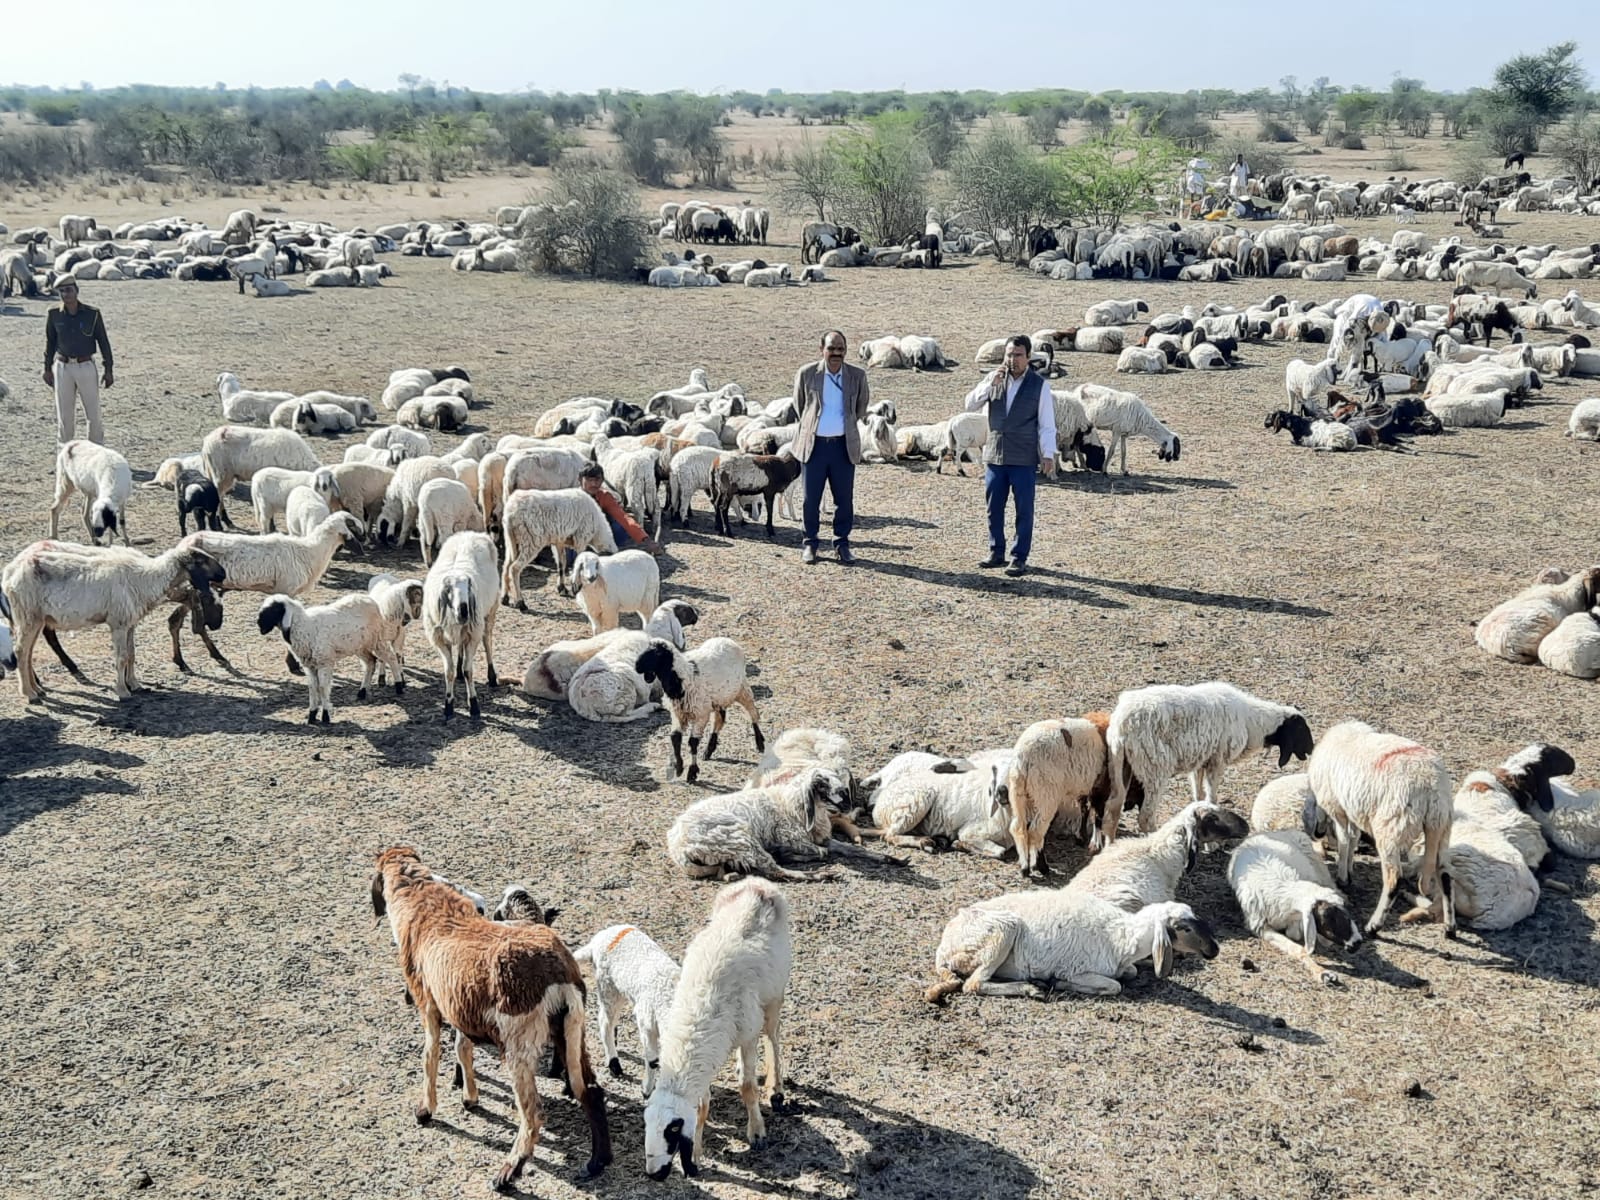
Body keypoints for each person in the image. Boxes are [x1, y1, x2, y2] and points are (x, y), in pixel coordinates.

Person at [962, 335, 1056, 578]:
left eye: (1018, 355)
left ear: (1028, 357)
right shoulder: (993, 379)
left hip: (1023, 457)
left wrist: (1048, 454)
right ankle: (996, 551)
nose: (1012, 360)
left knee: (1024, 509)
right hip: (994, 454)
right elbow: (969, 405)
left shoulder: (1039, 386)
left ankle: (1019, 556)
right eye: (1009, 354)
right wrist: (989, 383)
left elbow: (1046, 424)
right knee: (993, 507)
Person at [790, 329, 869, 565]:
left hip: (843, 447)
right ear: (821, 349)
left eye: (841, 349)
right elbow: (800, 404)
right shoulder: (807, 374)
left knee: (844, 499)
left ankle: (842, 544)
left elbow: (861, 407)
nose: (836, 353)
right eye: (832, 348)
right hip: (814, 446)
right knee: (810, 499)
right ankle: (810, 543)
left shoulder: (857, 375)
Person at [43, 277, 113, 445]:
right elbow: (50, 342)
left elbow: (103, 341)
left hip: (85, 366)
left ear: (76, 291)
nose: (65, 294)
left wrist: (108, 369)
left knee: (93, 413)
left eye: (69, 290)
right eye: (62, 291)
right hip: (62, 367)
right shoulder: (53, 314)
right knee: (64, 415)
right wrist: (46, 368)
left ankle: (97, 451)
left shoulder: (92, 314)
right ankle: (65, 453)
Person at [573, 463, 660, 563]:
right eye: (589, 480)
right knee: (571, 556)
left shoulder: (604, 496)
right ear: (580, 480)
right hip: (577, 534)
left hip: (598, 532)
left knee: (619, 528)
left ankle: (606, 549)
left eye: (597, 480)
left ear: (602, 480)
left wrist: (646, 540)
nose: (593, 484)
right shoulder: (572, 498)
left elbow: (623, 517)